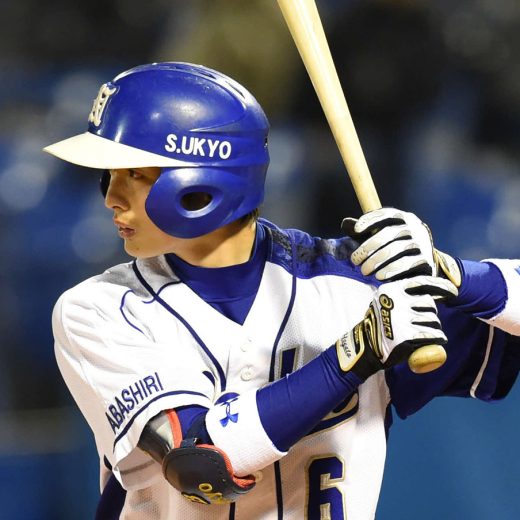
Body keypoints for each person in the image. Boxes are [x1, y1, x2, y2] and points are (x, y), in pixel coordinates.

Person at [45, 62, 520, 520]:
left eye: (136, 174)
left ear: (202, 184)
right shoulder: (99, 310)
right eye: (110, 175)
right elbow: (201, 465)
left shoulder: (353, 285)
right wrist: (358, 354)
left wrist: (451, 274)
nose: (110, 195)